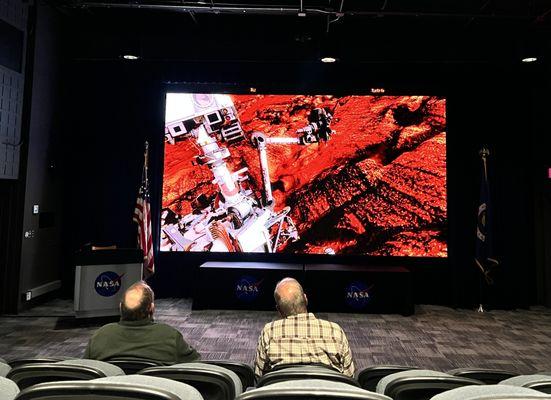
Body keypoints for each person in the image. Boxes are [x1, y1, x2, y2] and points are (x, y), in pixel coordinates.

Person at [254, 277, 355, 378]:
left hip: (283, 393)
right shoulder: (335, 331)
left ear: (279, 310)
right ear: (305, 299)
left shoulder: (269, 332)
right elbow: (350, 377)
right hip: (328, 392)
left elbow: (259, 377)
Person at [84, 281, 199, 364]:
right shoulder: (170, 336)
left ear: (120, 307)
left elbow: (86, 371)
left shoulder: (100, 336)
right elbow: (198, 367)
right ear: (152, 309)